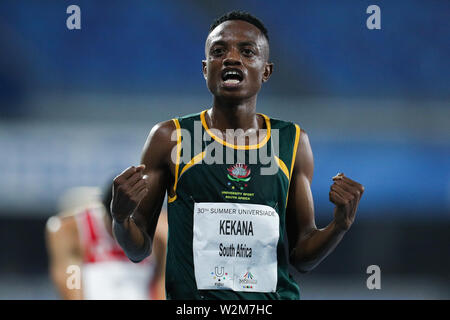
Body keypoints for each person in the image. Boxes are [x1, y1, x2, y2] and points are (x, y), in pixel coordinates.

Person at [111, 10, 364, 300]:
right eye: (219, 51)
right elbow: (139, 248)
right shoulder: (170, 138)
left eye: (247, 51)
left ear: (266, 71)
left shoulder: (292, 142)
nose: (231, 58)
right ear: (206, 69)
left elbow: (301, 256)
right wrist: (120, 219)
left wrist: (339, 225)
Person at [45, 185, 167, 300]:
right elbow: (71, 282)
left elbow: (164, 284)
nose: (125, 238)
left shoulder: (159, 233)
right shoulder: (71, 231)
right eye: (121, 228)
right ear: (106, 214)